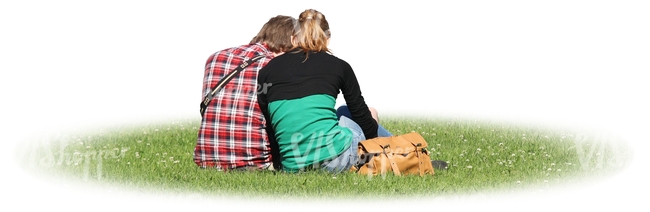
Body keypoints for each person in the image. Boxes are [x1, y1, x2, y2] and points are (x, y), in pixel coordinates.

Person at [257, 9, 384, 173]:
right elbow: (362, 117)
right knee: (367, 112)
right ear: (328, 38)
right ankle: (397, 148)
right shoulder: (339, 66)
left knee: (343, 111)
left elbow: (270, 124)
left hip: (292, 165)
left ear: (293, 38)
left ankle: (396, 145)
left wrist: (279, 162)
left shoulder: (268, 70)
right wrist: (375, 144)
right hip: (336, 160)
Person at [194, 15, 296, 171]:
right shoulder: (277, 66)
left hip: (206, 161)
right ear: (292, 40)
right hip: (254, 162)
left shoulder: (215, 58)